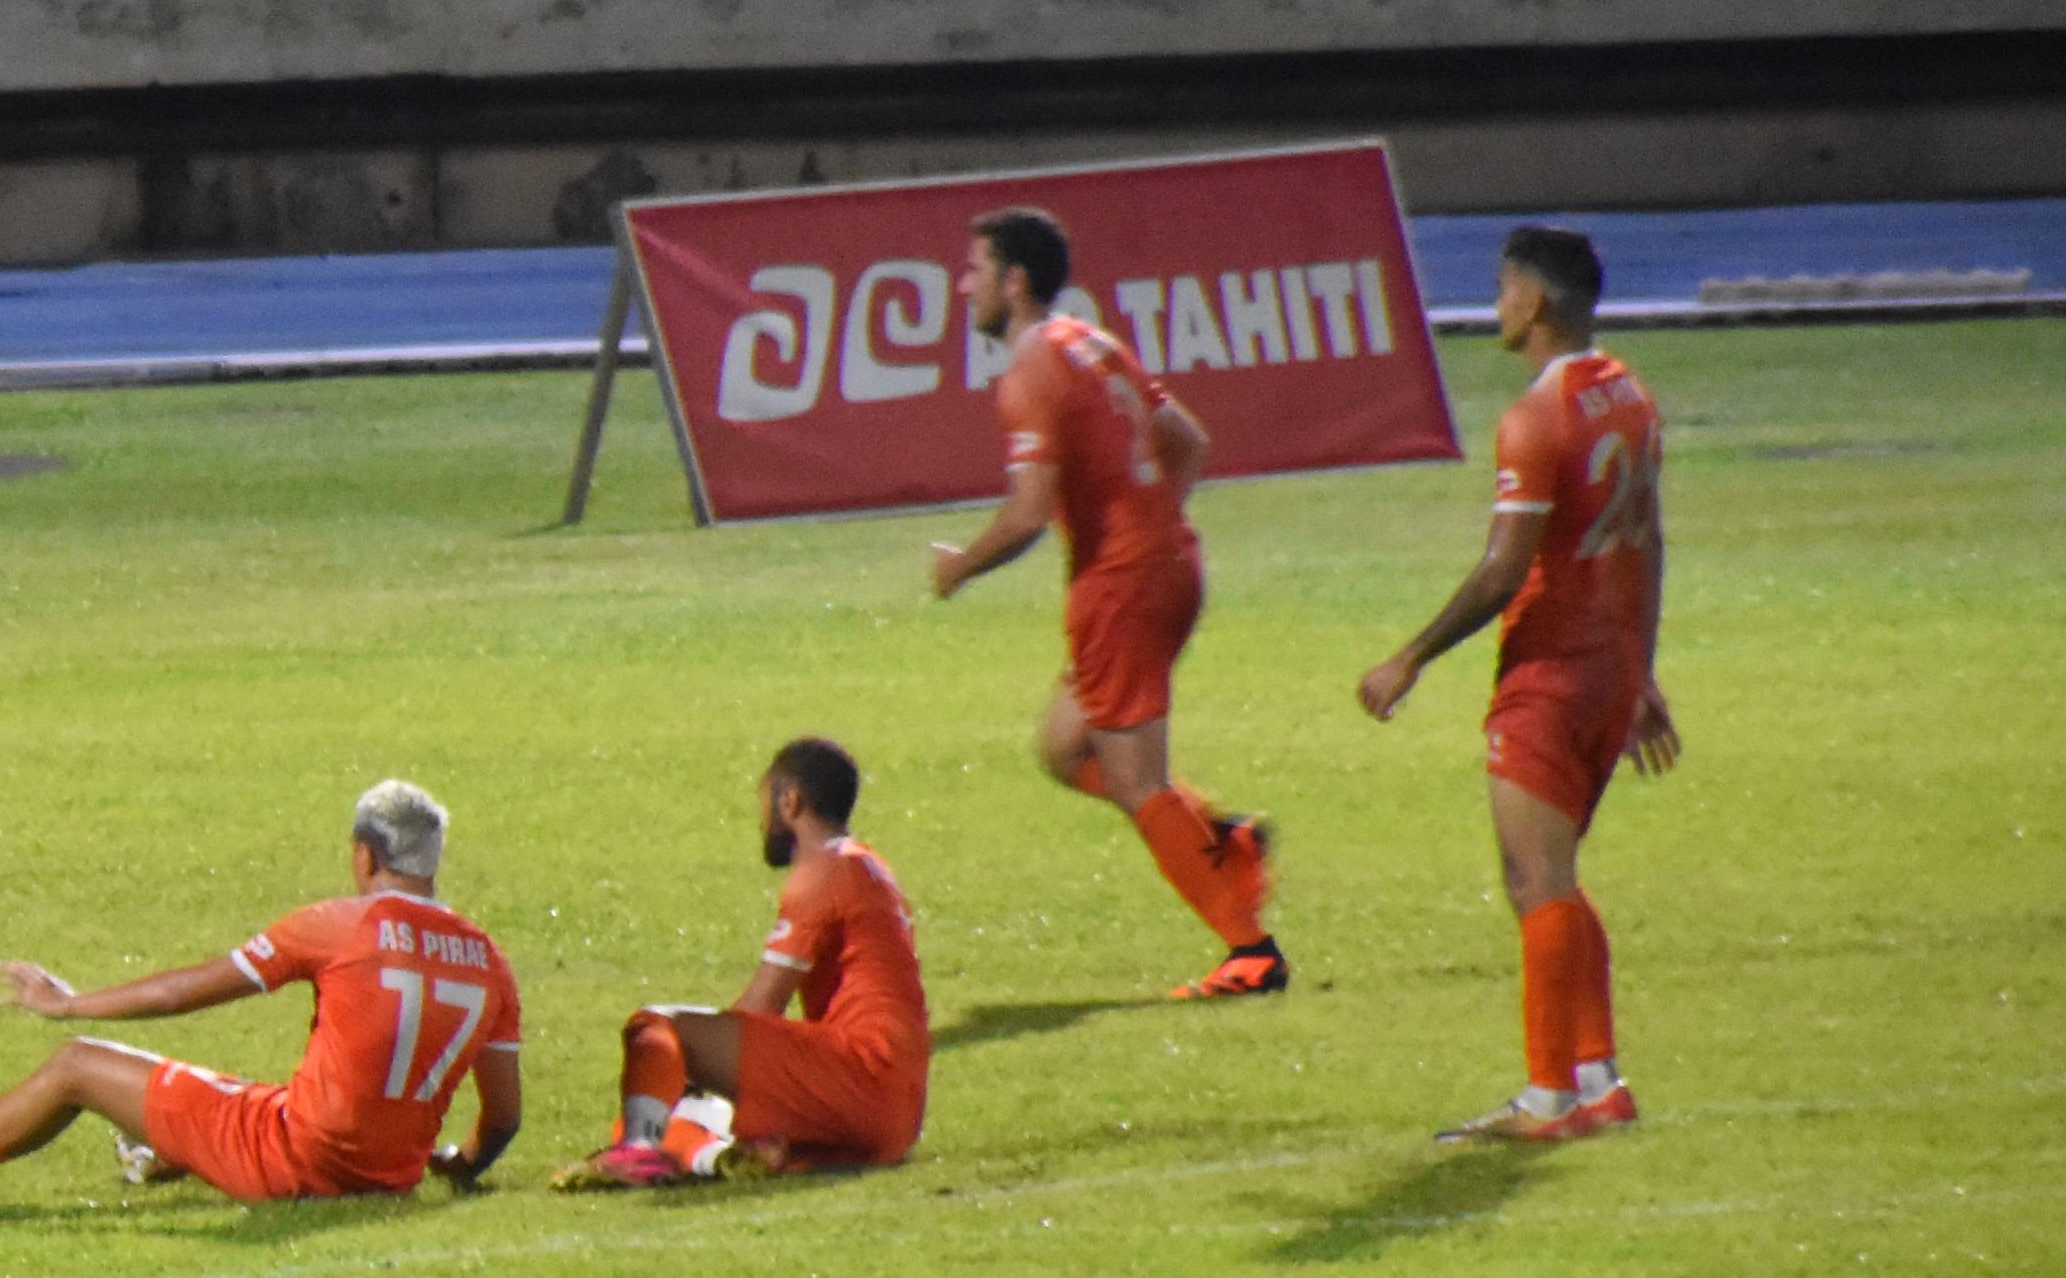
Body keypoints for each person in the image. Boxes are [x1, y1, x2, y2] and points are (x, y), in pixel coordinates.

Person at [0, 778, 520, 1203]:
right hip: (387, 1173)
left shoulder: (340, 925)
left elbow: (183, 993)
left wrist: (68, 1003)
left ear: (364, 855)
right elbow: (503, 1119)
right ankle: (156, 1151)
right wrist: (459, 1166)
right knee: (239, 1093)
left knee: (78, 1066)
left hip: (297, 1161)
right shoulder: (488, 960)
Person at [1358, 223, 1672, 1142]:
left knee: (1532, 874)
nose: (1496, 306)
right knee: (1558, 874)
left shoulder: (1537, 417)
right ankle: (1599, 1078)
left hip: (1551, 668)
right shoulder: (1631, 396)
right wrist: (1642, 670)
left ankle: (1546, 1101)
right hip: (1610, 666)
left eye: (1502, 291)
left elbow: (1502, 572)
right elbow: (1649, 540)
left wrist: (1407, 657)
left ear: (1534, 302)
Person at [927, 203, 1288, 1000]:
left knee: (1134, 779)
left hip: (1122, 586)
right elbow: (1188, 442)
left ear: (1013, 281)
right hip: (1164, 568)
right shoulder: (1091, 342)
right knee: (1063, 747)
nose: (964, 287)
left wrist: (962, 567)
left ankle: (1250, 950)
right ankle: (1226, 839)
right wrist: (1155, 520)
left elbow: (1026, 515)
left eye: (975, 270)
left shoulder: (1030, 368)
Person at [557, 736, 930, 1187]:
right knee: (682, 1106)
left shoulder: (824, 870)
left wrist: (691, 1062)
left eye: (765, 801)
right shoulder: (869, 866)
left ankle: (635, 1154)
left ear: (789, 801)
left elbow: (762, 1005)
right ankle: (723, 1157)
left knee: (657, 1029)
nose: (762, 819)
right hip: (895, 1111)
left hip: (858, 1079)